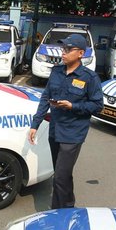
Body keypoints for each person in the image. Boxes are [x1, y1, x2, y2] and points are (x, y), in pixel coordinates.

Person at [28, 33, 103, 209]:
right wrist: (35, 124)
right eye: (63, 48)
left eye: (69, 49)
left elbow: (98, 105)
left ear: (81, 54)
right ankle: (69, 205)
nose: (64, 52)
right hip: (55, 130)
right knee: (63, 174)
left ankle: (57, 214)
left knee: (60, 176)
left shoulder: (90, 78)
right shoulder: (56, 72)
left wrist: (73, 106)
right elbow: (45, 97)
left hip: (73, 133)